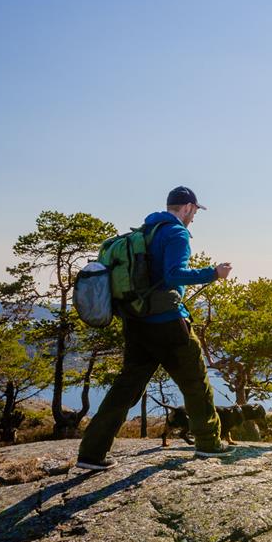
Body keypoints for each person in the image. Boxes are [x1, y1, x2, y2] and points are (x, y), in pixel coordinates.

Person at [76, 186, 233, 470]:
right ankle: (209, 443)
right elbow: (174, 275)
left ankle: (91, 454)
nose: (194, 217)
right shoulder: (176, 233)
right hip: (168, 325)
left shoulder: (142, 233)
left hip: (136, 323)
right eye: (195, 211)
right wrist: (214, 273)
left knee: (126, 388)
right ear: (186, 207)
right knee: (196, 383)